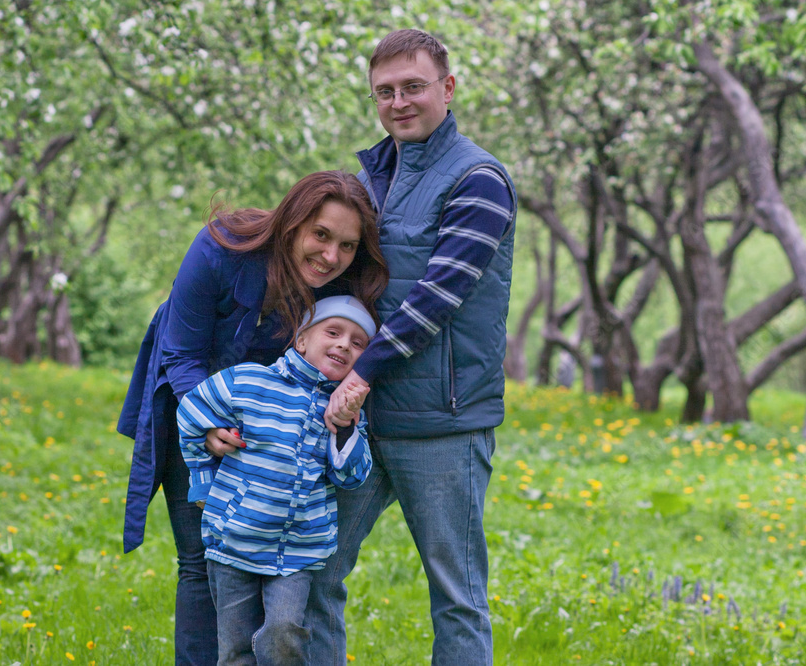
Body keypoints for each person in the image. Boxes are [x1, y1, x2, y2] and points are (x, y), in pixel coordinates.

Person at [306, 29, 518, 665]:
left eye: (413, 87)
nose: (398, 102)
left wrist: (360, 374)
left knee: (457, 598)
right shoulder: (368, 179)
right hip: (359, 420)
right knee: (313, 573)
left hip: (440, 424)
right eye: (385, 92)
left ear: (447, 88)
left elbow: (437, 295)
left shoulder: (480, 179)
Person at [117, 171, 388, 665]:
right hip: (193, 398)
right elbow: (182, 353)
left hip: (276, 428)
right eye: (321, 234)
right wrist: (207, 424)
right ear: (292, 222)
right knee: (199, 561)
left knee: (270, 567)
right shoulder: (221, 247)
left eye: (347, 245)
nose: (331, 256)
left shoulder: (340, 288)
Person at [176, 296, 375, 666]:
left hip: (297, 550)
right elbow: (190, 413)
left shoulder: (344, 410)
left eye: (358, 342)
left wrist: (346, 426)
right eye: (333, 332)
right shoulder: (248, 380)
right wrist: (202, 482)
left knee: (284, 633)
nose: (345, 344)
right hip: (233, 539)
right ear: (301, 339)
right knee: (235, 650)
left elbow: (351, 477)